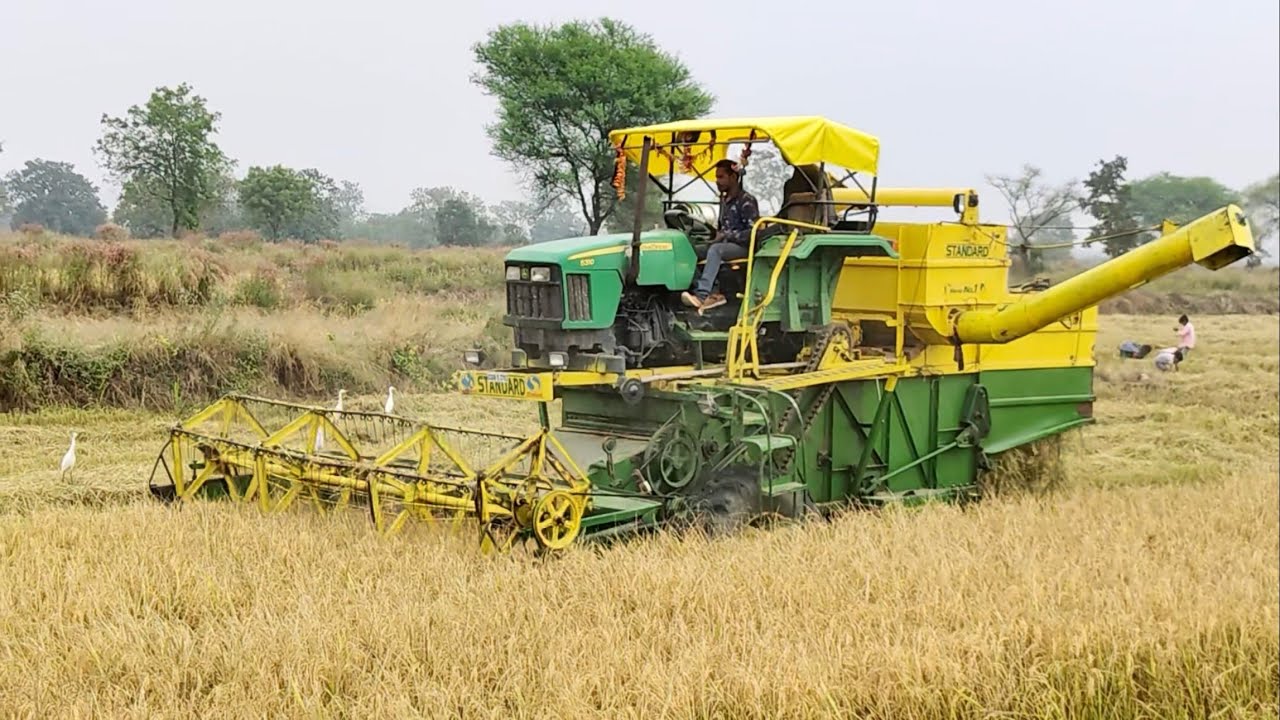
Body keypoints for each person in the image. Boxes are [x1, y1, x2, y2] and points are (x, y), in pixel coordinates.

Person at [681, 159, 760, 312]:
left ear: (733, 177)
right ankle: (713, 293)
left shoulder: (746, 201)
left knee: (716, 250)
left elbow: (753, 233)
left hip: (743, 247)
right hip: (725, 244)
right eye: (716, 177)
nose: (717, 181)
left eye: (721, 177)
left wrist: (726, 235)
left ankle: (702, 296)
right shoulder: (724, 200)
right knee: (691, 250)